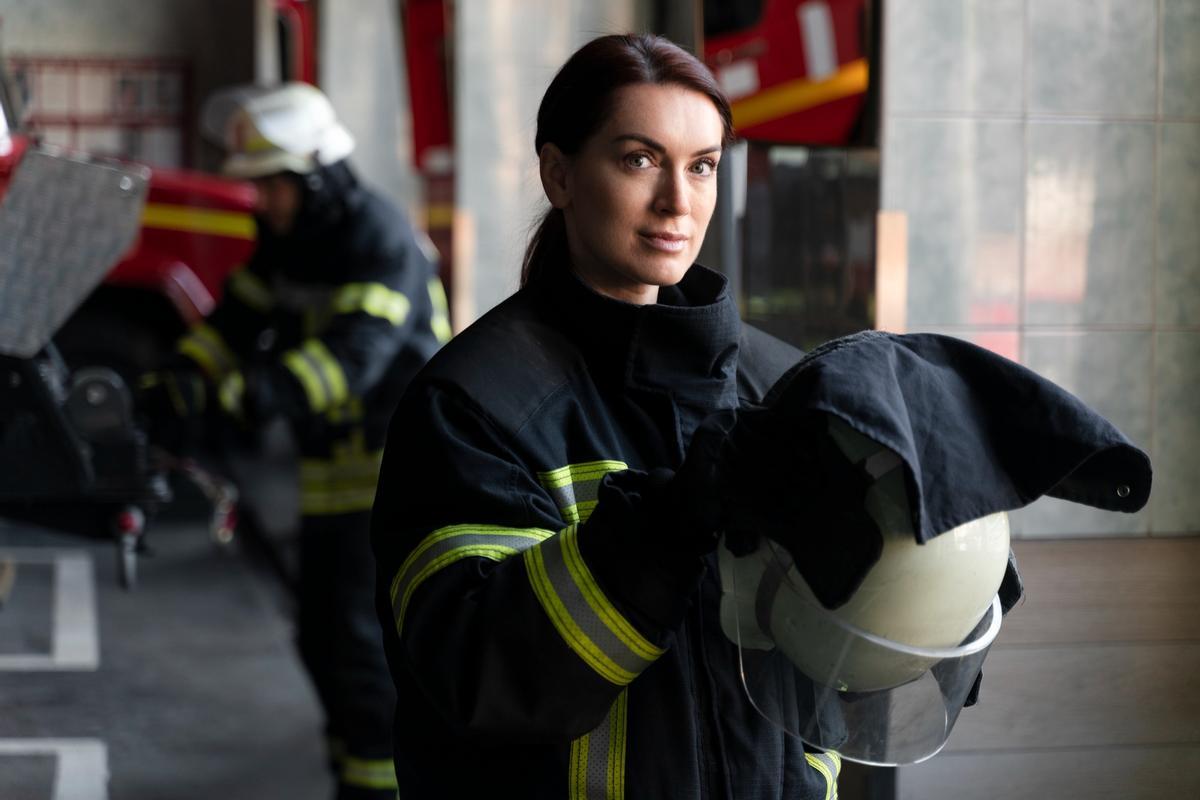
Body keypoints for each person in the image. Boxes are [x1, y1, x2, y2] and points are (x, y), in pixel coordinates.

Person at [369, 34, 846, 798]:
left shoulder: (778, 383)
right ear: (558, 174)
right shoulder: (476, 405)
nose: (678, 202)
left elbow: (827, 660)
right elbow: (482, 674)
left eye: (701, 166)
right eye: (638, 159)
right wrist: (660, 533)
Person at [145, 82, 449, 799]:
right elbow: (234, 323)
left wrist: (252, 396)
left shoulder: (376, 235)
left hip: (392, 471)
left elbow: (352, 358)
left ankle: (378, 786)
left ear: (312, 176)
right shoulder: (293, 240)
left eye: (273, 185)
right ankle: (353, 770)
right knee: (321, 636)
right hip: (333, 469)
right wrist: (183, 377)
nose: (263, 202)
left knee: (359, 644)